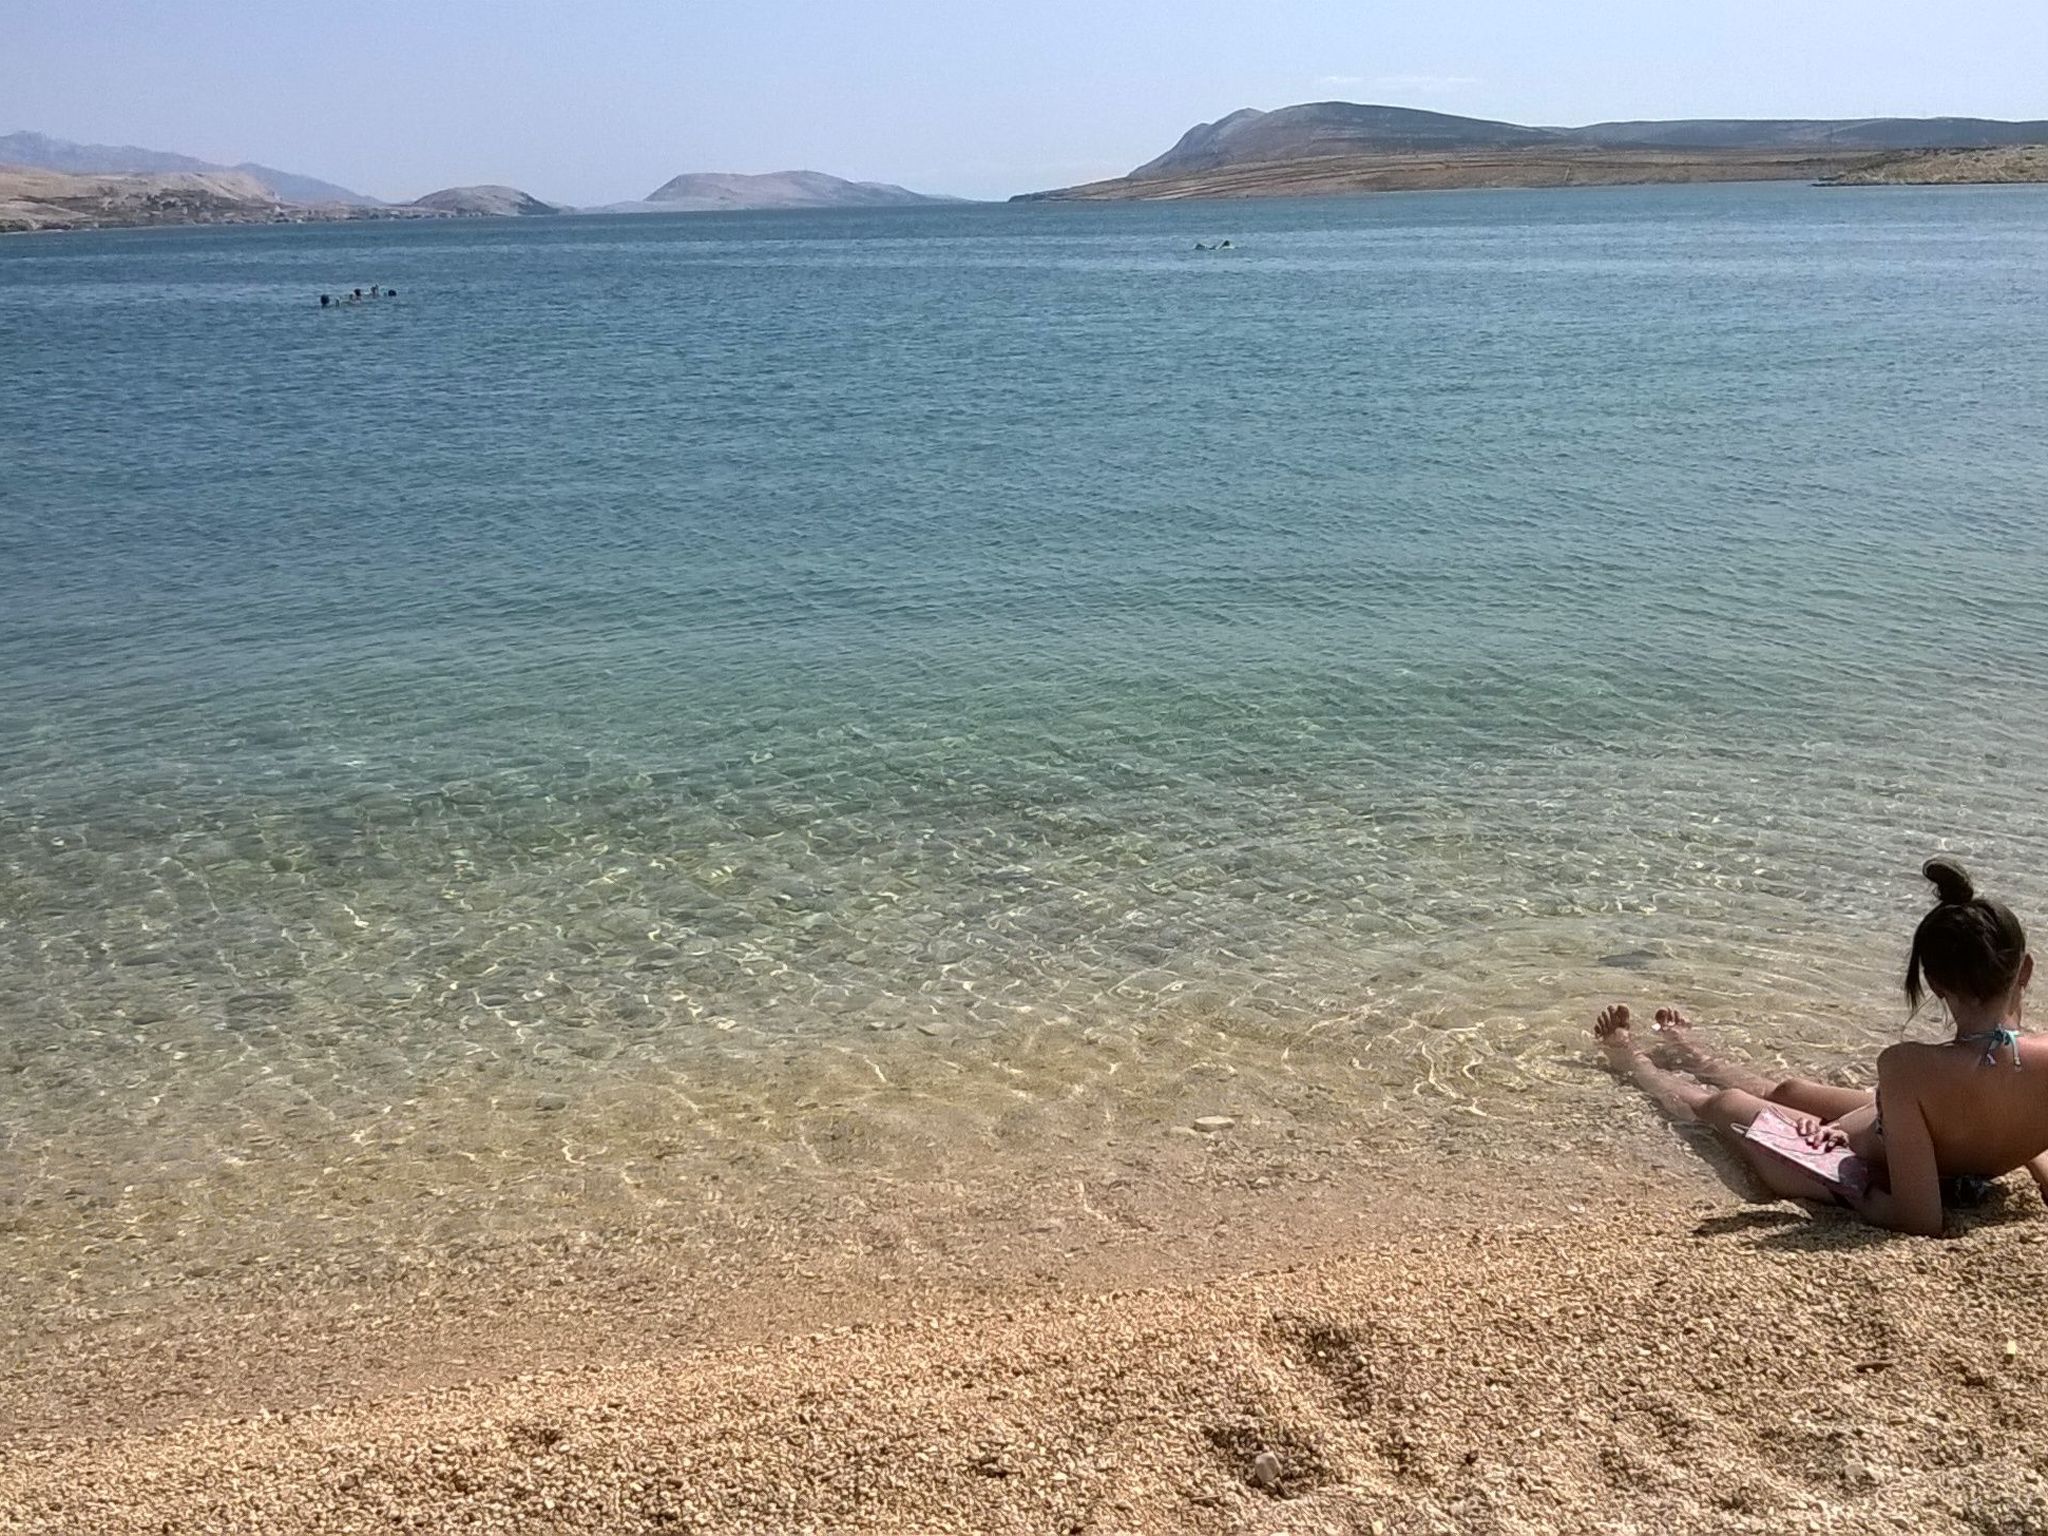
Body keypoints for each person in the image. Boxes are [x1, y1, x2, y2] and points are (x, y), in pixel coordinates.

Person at [1595, 857, 2048, 1236]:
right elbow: (2004, 1108)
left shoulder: (1909, 1067)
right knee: (1789, 1090)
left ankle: (1633, 1062)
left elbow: (1919, 1218)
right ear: (2024, 969)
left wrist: (1856, 1183)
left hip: (1880, 1167)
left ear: (1933, 981)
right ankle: (1693, 1056)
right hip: (1920, 1131)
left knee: (1724, 1104)